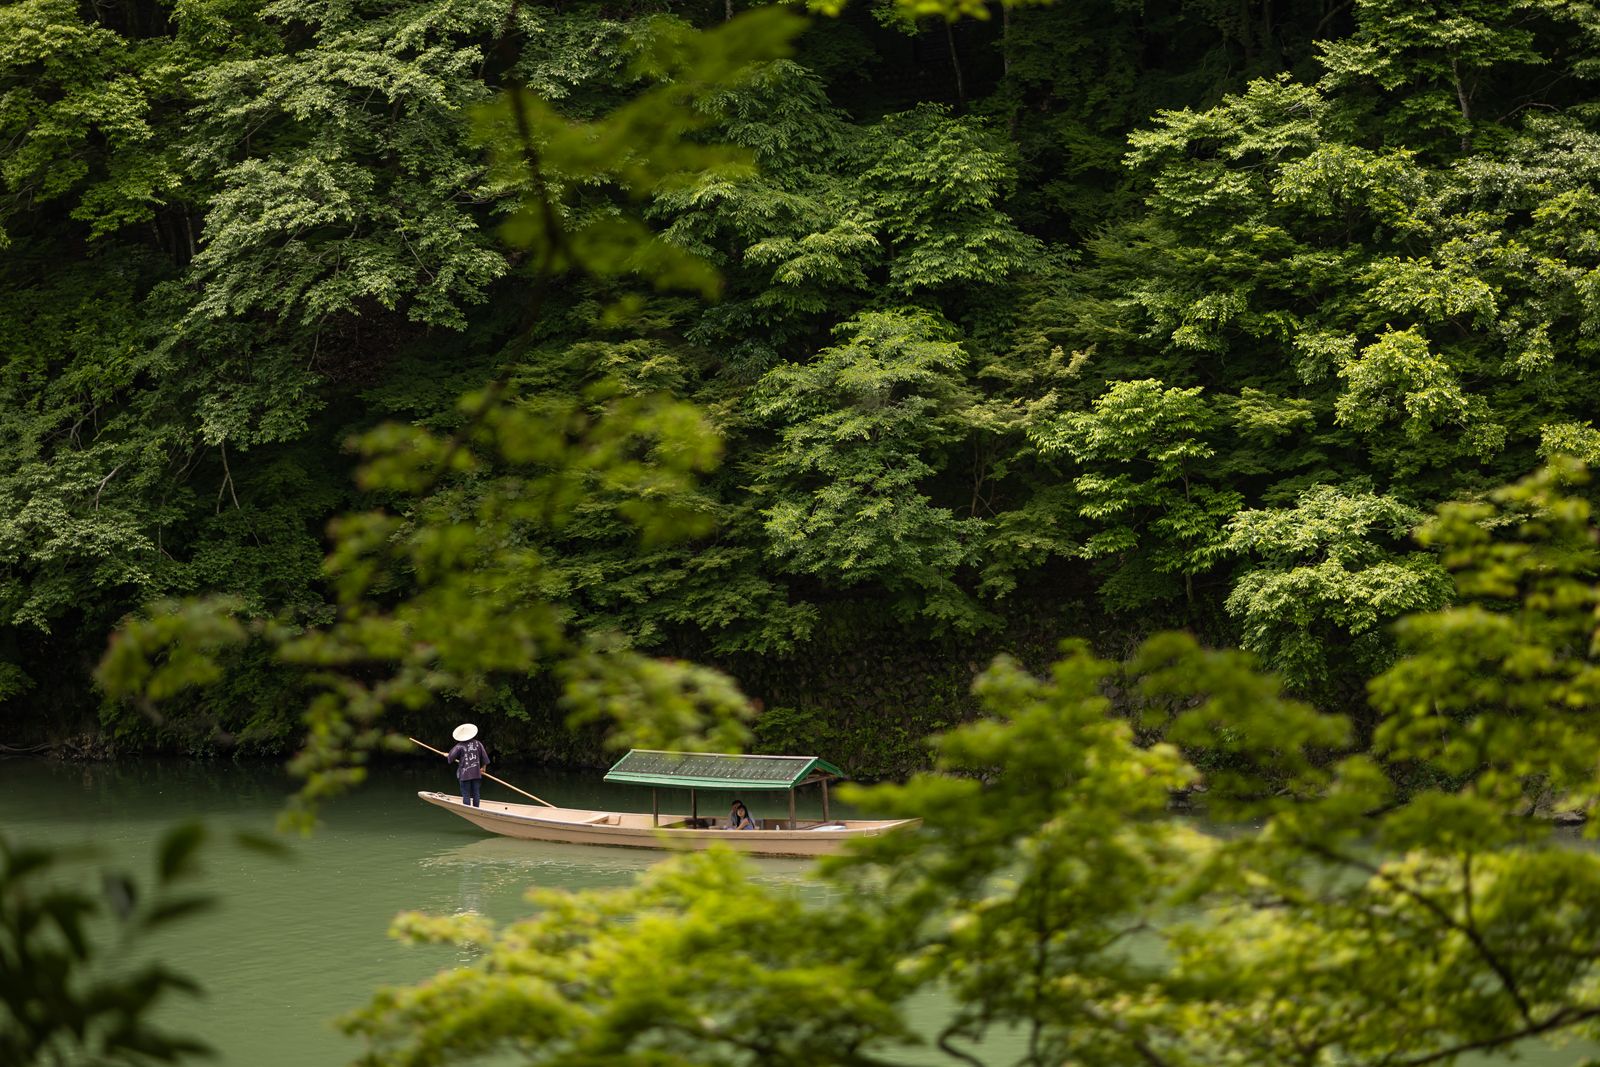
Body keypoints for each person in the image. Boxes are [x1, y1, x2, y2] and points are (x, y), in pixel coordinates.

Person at [446, 723, 489, 807]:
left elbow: (450, 759)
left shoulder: (459, 746)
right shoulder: (478, 744)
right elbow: (485, 758)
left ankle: (468, 809)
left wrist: (448, 755)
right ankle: (476, 809)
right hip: (476, 773)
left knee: (466, 794)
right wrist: (483, 768)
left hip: (465, 774)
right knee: (476, 792)